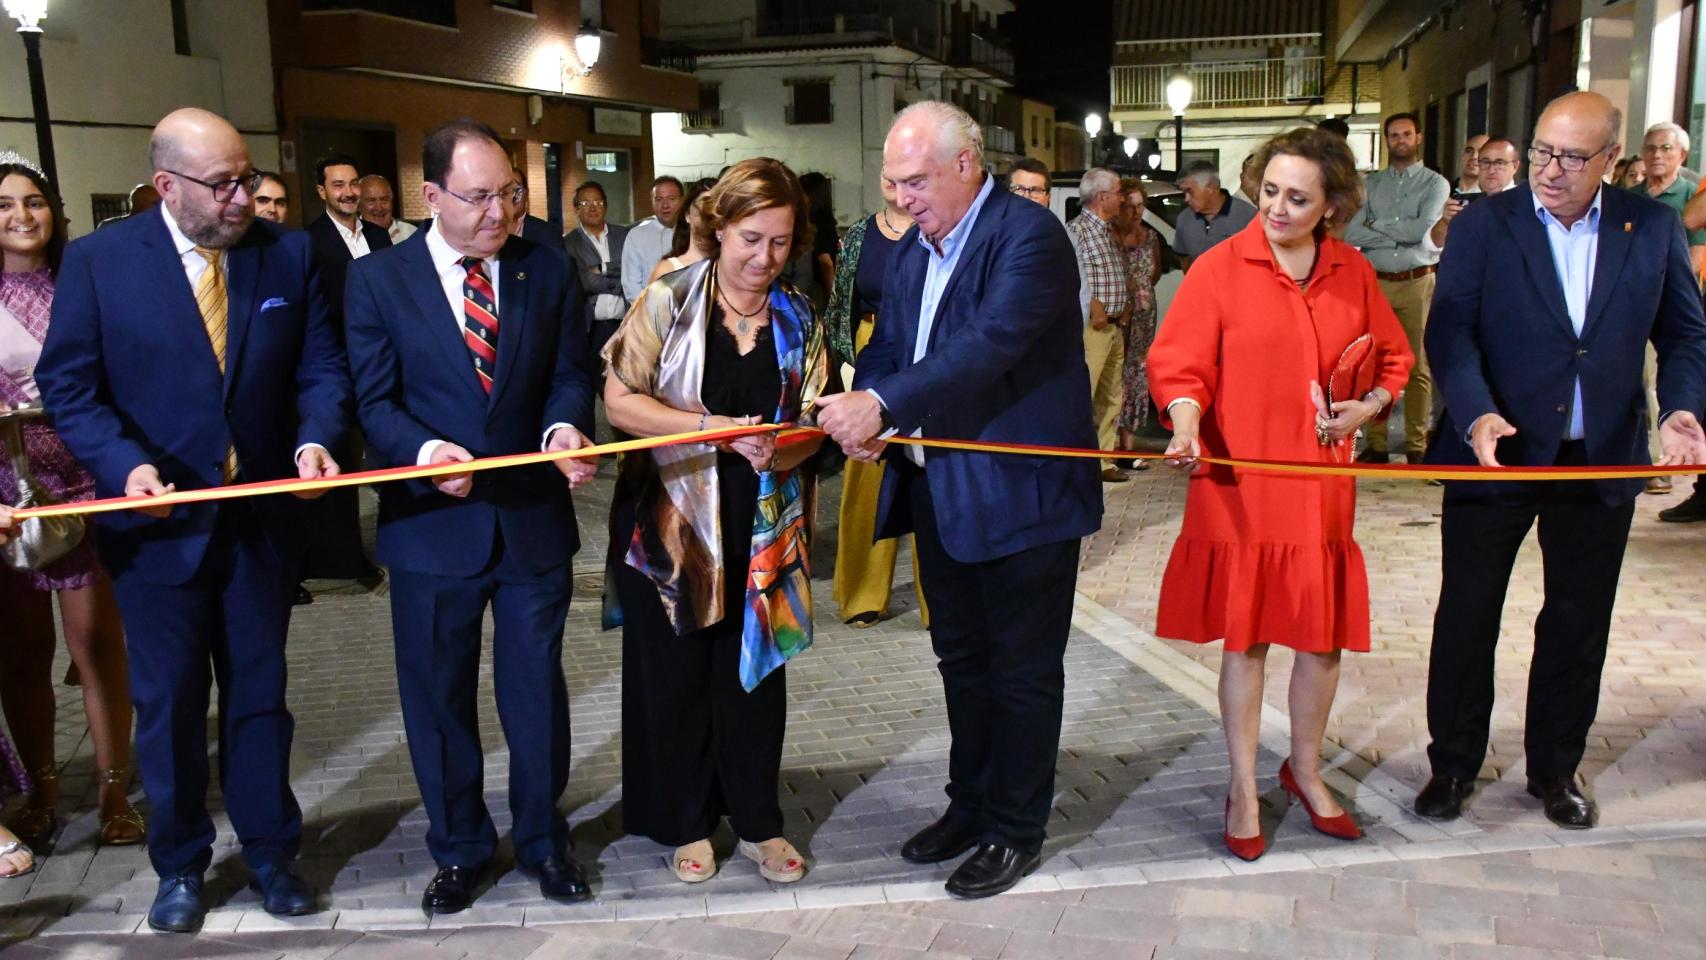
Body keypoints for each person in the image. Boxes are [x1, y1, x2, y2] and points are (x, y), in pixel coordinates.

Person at [37, 107, 351, 932]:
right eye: (222, 185)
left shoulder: (285, 253)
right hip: (156, 532)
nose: (242, 198)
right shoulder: (100, 263)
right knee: (171, 702)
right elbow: (70, 386)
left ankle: (272, 854)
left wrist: (316, 439)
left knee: (259, 697)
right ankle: (179, 864)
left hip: (259, 525)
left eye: (246, 179)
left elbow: (322, 365)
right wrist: (123, 465)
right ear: (166, 186)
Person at [816, 101, 1102, 899]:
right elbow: (888, 347)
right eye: (892, 183)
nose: (900, 198)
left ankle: (1015, 828)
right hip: (941, 490)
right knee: (963, 664)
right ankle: (969, 806)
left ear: (966, 164)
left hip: (1024, 499)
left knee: (1022, 673)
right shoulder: (917, 249)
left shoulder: (1028, 237)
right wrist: (873, 408)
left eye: (915, 181)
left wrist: (883, 404)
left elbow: (988, 346)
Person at [1416, 91, 1706, 830]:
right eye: (1543, 150)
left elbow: (1685, 335)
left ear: (1610, 158)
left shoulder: (1652, 227)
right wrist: (1475, 410)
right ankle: (1453, 765)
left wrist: (1680, 408)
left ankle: (1555, 768)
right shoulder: (1484, 225)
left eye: (1573, 158)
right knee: (1468, 613)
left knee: (1578, 619)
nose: (1550, 169)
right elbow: (1450, 332)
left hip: (1597, 460)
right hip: (1496, 454)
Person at [344, 119, 597, 914]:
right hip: (431, 525)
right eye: (479, 196)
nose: (500, 212)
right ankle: (459, 848)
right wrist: (423, 452)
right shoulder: (377, 281)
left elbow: (570, 373)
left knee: (535, 694)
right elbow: (372, 402)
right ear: (431, 195)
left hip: (529, 521)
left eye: (509, 194)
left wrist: (564, 427)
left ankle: (543, 841)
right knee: (438, 698)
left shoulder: (544, 267)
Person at [1148, 126, 1414, 862]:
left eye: (1298, 198)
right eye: (1269, 191)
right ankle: (1241, 785)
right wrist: (1185, 422)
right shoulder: (1218, 267)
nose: (1277, 208)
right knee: (1247, 637)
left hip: (1320, 486)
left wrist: (1371, 405)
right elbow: (1179, 364)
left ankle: (1305, 769)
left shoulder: (1353, 271)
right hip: (1240, 481)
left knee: (1320, 638)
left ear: (1331, 206)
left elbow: (1392, 357)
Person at [602, 157, 826, 887]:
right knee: (676, 678)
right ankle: (686, 821)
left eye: (781, 242)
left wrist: (780, 446)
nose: (765, 258)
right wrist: (711, 429)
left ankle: (758, 820)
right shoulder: (669, 299)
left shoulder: (799, 316)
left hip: (762, 526)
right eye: (751, 239)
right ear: (720, 226)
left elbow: (815, 424)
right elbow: (619, 402)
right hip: (670, 521)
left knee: (754, 678)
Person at [0, 154, 143, 857]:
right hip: (7, 495)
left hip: (84, 481)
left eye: (33, 201)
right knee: (22, 655)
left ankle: (115, 790)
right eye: (4, 205)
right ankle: (42, 790)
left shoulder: (80, 281)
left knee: (97, 648)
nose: (22, 216)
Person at [824, 172, 927, 628]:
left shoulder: (936, 227)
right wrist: (848, 367)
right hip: (871, 351)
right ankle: (862, 593)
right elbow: (839, 307)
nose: (893, 182)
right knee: (866, 473)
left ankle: (938, 598)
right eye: (886, 173)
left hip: (925, 349)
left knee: (929, 470)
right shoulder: (860, 235)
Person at [301, 153, 389, 598]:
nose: (349, 192)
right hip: (337, 367)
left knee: (389, 457)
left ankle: (393, 542)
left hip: (382, 365)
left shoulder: (378, 236)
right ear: (322, 191)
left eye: (353, 184)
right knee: (343, 462)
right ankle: (344, 557)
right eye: (338, 185)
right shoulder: (309, 242)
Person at [1344, 112, 1449, 465]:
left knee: (1418, 366)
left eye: (1406, 134)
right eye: (1393, 135)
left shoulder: (1435, 184)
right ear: (1386, 139)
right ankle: (1376, 444)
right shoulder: (1370, 185)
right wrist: (1401, 231)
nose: (1400, 140)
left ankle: (1416, 444)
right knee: (1372, 364)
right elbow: (1352, 231)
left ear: (1418, 137)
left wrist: (1377, 223)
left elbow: (1422, 231)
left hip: (1417, 282)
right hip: (1377, 283)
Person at [1067, 168, 1129, 482]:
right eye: (1118, 192)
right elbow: (1073, 276)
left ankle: (1103, 460)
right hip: (1093, 329)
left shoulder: (1107, 231)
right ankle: (1075, 461)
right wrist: (1094, 306)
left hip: (1114, 328)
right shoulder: (1076, 230)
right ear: (1102, 197)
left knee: (1111, 398)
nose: (1123, 199)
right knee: (1083, 396)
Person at [1114, 176, 1161, 456]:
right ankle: (1107, 441)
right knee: (1114, 372)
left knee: (1138, 372)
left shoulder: (1150, 237)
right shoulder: (1110, 235)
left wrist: (1141, 295)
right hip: (1117, 314)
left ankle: (1128, 443)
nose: (1136, 212)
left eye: (1140, 205)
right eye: (1130, 206)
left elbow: (1154, 273)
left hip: (1144, 317)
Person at [562, 180, 628, 357]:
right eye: (586, 203)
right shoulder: (570, 243)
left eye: (598, 202)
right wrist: (622, 282)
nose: (593, 208)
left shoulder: (624, 236)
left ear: (605, 206)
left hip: (625, 326)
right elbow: (585, 282)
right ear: (576, 209)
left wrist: (603, 268)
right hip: (591, 329)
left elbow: (633, 272)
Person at [1173, 160, 1255, 271]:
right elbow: (1184, 261)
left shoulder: (1249, 217)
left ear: (1211, 187)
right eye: (1184, 193)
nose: (1186, 199)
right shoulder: (1184, 219)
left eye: (1190, 191)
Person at [621, 176, 684, 303]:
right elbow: (631, 285)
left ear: (683, 201)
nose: (665, 205)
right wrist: (651, 310)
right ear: (652, 202)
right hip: (649, 309)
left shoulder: (695, 232)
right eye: (659, 199)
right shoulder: (637, 235)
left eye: (671, 199)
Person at [645, 178, 718, 285]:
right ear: (688, 215)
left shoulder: (731, 268)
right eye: (705, 207)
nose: (709, 215)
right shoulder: (667, 271)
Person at [358, 173, 416, 244]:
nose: (379, 208)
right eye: (371, 201)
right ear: (358, 205)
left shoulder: (412, 234)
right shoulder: (352, 238)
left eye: (384, 200)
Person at [95, 183, 160, 230]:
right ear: (141, 203)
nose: (158, 207)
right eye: (155, 203)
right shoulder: (110, 226)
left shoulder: (158, 227)